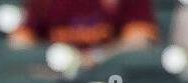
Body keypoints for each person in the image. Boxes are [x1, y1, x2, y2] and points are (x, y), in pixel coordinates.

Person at [10, 0, 160, 60]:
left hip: (113, 78)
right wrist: (60, 57)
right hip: (57, 75)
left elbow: (141, 38)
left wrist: (97, 56)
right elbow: (20, 40)